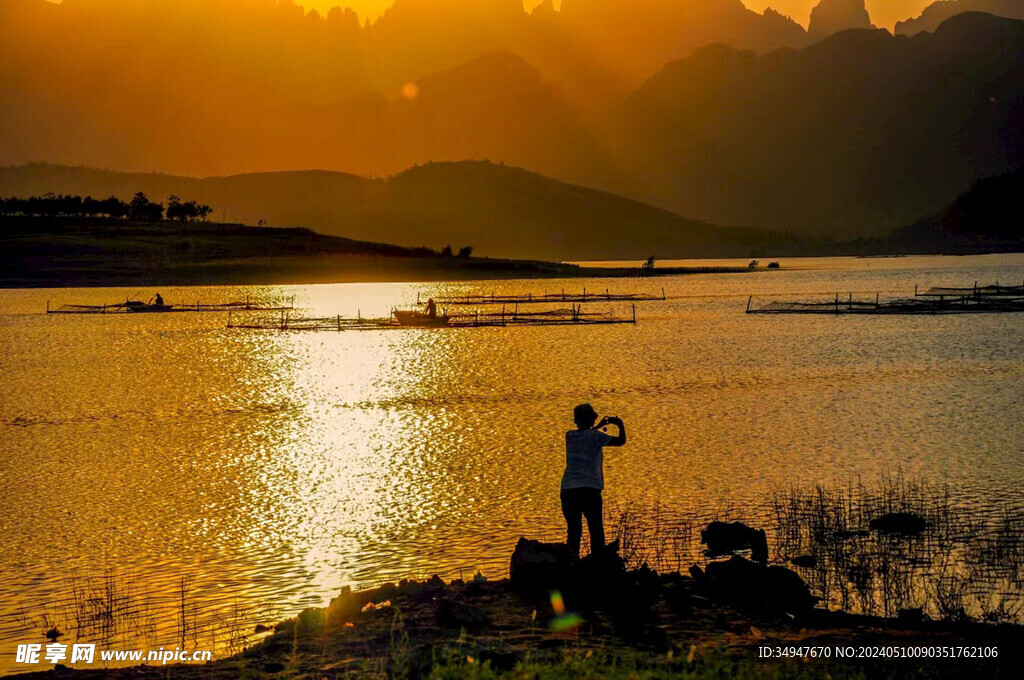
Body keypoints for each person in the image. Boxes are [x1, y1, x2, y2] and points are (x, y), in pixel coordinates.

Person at [560, 403, 626, 560]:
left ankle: (572, 566)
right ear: (591, 419)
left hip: (568, 490)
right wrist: (620, 425)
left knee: (574, 533)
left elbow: (586, 435)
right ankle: (598, 569)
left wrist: (598, 426)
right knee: (596, 532)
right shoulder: (596, 436)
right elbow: (621, 441)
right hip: (589, 490)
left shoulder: (569, 435)